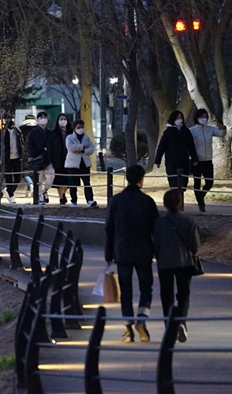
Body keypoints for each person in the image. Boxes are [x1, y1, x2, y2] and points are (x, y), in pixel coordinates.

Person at [105, 164, 159, 343]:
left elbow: (109, 228)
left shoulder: (115, 201)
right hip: (143, 250)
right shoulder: (147, 202)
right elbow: (155, 229)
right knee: (146, 288)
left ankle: (128, 329)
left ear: (127, 178)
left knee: (125, 290)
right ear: (141, 180)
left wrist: (108, 252)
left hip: (122, 251)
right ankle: (142, 320)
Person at [153, 189, 201, 343]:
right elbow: (195, 245)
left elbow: (155, 244)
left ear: (165, 204)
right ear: (180, 203)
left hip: (165, 263)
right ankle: (181, 322)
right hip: (185, 261)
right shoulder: (189, 220)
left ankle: (170, 328)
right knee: (183, 295)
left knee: (166, 296)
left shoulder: (159, 222)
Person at [189, 109, 227, 212]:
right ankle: (201, 204)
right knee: (197, 182)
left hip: (208, 160)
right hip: (196, 161)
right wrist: (192, 158)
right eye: (201, 117)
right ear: (197, 118)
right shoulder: (192, 130)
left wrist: (223, 129)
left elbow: (221, 134)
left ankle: (200, 197)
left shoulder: (210, 129)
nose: (204, 119)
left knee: (209, 182)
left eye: (205, 116)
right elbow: (189, 145)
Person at [154, 110, 199, 189]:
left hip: (184, 160)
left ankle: (180, 198)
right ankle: (175, 198)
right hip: (172, 161)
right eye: (177, 118)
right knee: (174, 183)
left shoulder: (186, 131)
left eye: (180, 117)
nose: (179, 119)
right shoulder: (168, 132)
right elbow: (162, 147)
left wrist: (194, 159)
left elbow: (191, 146)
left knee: (183, 183)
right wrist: (158, 160)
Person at [64, 119, 97, 208]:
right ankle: (74, 201)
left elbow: (92, 148)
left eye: (82, 127)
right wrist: (82, 147)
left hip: (84, 164)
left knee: (87, 183)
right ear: (74, 128)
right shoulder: (69, 137)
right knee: (73, 184)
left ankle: (90, 200)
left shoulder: (86, 137)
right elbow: (71, 147)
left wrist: (83, 150)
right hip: (73, 165)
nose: (80, 129)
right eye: (78, 127)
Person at [25, 111, 56, 204]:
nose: (43, 119)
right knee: (38, 180)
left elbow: (55, 145)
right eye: (41, 117)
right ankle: (39, 197)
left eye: (45, 117)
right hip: (37, 160)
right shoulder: (33, 133)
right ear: (38, 120)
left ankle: (45, 190)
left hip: (48, 159)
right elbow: (29, 145)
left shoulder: (50, 133)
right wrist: (35, 154)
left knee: (51, 175)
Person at [0, 114, 24, 204]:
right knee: (8, 178)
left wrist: (22, 155)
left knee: (18, 178)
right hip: (6, 159)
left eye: (11, 118)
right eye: (7, 119)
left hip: (17, 158)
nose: (10, 120)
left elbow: (21, 143)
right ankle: (11, 196)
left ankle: (8, 190)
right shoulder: (2, 132)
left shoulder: (17, 131)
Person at [52, 113, 73, 205]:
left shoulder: (71, 132)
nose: (63, 121)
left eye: (65, 119)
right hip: (58, 159)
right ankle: (61, 197)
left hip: (70, 158)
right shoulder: (54, 133)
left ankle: (63, 193)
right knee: (59, 179)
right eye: (61, 119)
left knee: (69, 179)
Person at [18, 114, 38, 197]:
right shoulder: (38, 128)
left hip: (25, 152)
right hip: (36, 152)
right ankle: (32, 188)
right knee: (35, 171)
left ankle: (30, 185)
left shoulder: (21, 128)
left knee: (25, 171)